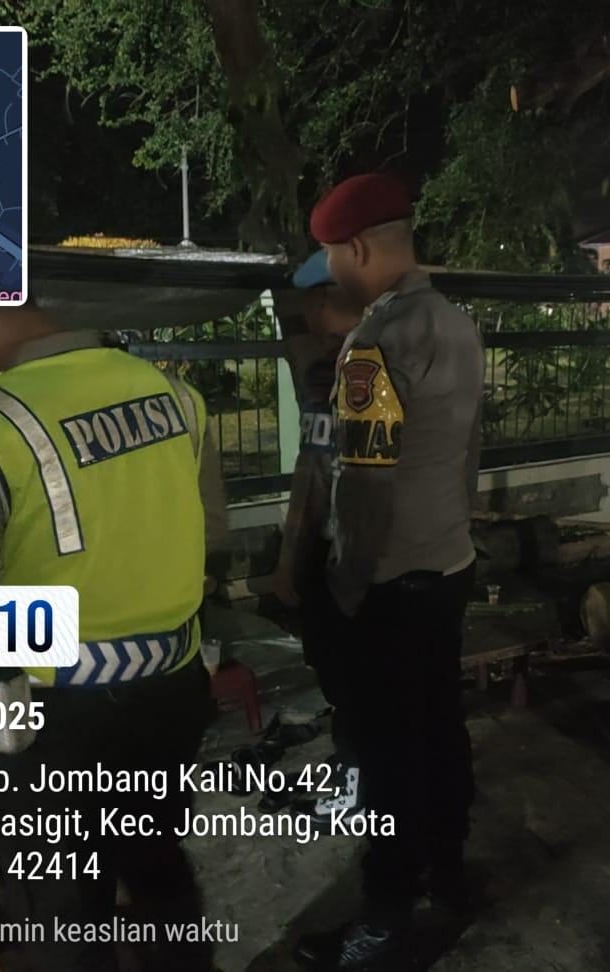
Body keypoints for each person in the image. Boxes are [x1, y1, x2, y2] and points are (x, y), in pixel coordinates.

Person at [0, 300, 215, 972]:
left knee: (62, 907)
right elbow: (209, 531)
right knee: (156, 862)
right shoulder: (173, 395)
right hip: (174, 693)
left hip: (58, 723)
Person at [294, 174, 485, 971]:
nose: (332, 273)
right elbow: (468, 453)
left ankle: (387, 913)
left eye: (334, 257)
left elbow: (365, 482)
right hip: (447, 563)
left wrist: (348, 584)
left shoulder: (376, 344)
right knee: (438, 730)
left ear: (357, 248)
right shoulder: (457, 323)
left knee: (386, 754)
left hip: (391, 584)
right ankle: (449, 874)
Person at [272, 250, 367, 828]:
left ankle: (360, 787)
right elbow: (311, 473)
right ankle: (353, 765)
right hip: (327, 556)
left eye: (308, 312)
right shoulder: (320, 378)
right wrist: (293, 557)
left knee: (361, 685)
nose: (303, 327)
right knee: (337, 675)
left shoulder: (376, 371)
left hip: (363, 560)